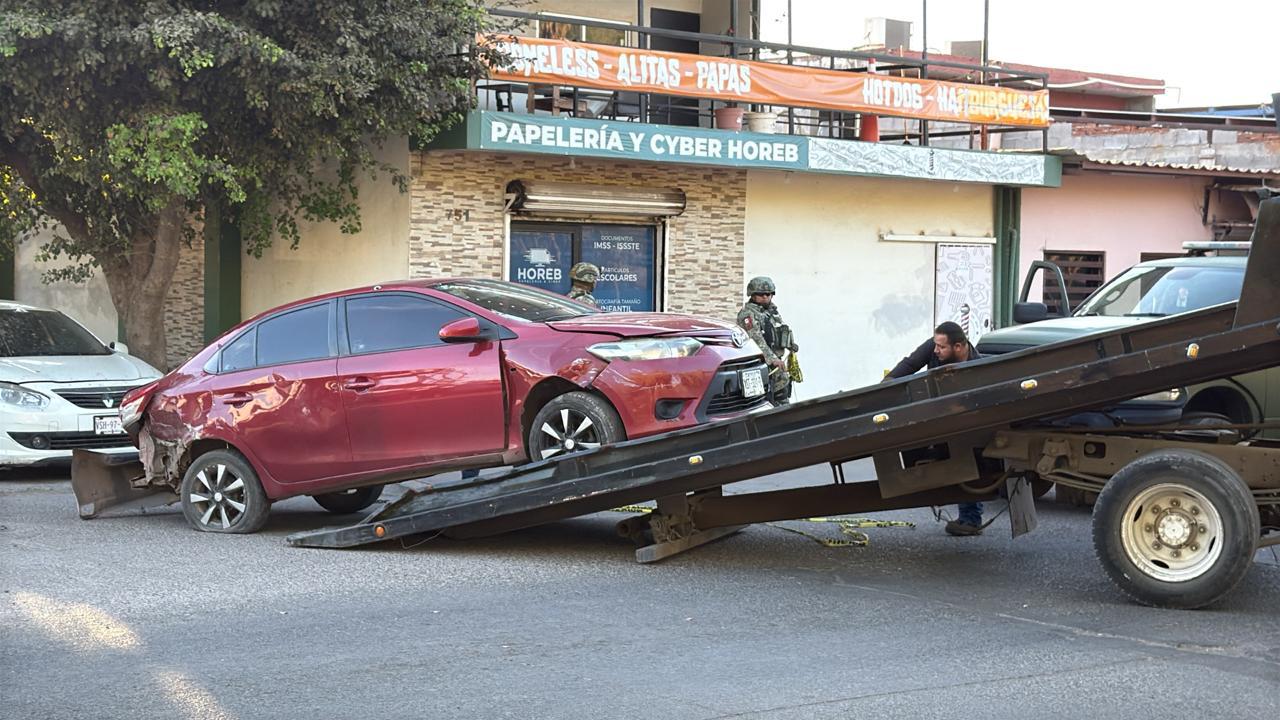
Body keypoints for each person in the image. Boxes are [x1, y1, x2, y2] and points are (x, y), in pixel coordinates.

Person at [885, 321, 986, 536]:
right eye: (935, 345)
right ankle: (931, 488)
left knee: (965, 457)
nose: (935, 350)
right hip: (934, 414)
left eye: (941, 347)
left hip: (961, 420)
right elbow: (908, 365)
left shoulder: (976, 367)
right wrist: (885, 387)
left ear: (958, 347)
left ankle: (970, 518)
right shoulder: (934, 348)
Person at [736, 276, 799, 405]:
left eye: (768, 294)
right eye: (760, 294)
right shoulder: (747, 314)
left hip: (777, 367)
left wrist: (791, 345)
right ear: (752, 295)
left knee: (783, 399)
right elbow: (756, 339)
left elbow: (780, 330)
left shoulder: (771, 312)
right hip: (760, 366)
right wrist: (772, 359)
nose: (765, 297)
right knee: (766, 403)